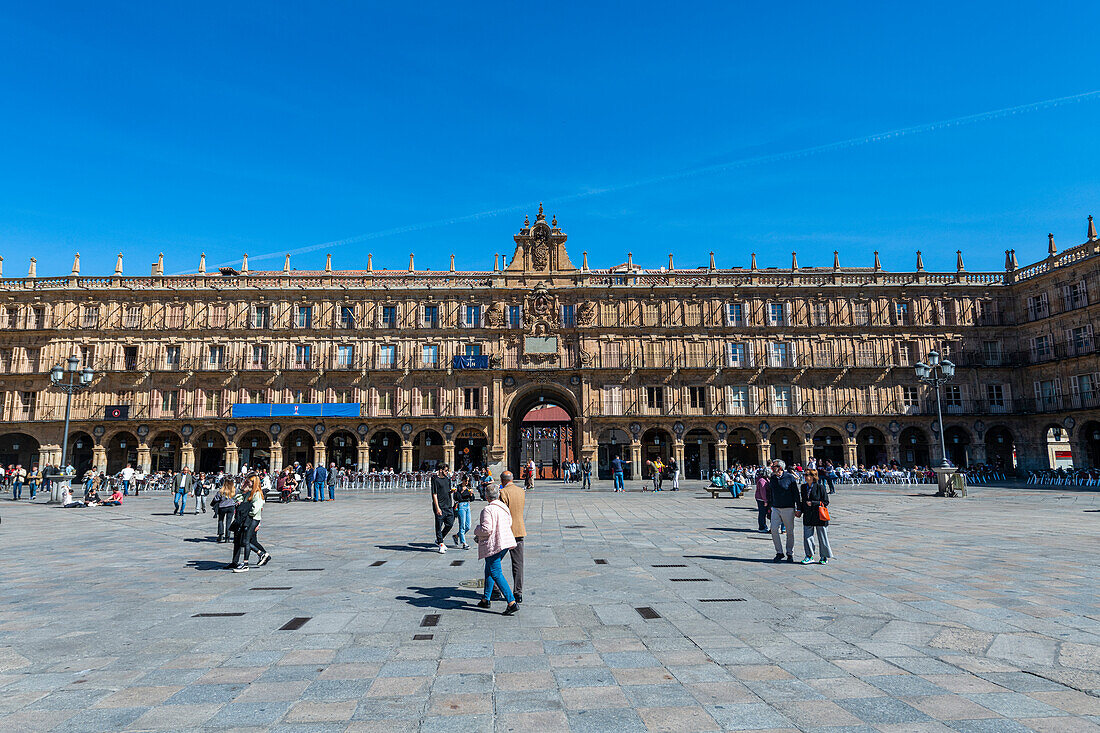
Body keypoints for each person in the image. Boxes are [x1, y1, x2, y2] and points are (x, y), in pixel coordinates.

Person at [473, 483, 519, 616]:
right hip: (505, 542)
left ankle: (511, 602)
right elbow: (509, 522)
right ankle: (486, 599)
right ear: (498, 495)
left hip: (494, 544)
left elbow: (487, 529)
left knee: (495, 571)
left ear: (486, 497)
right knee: (489, 568)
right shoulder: (503, 507)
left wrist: (477, 530)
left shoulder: (488, 510)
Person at [230, 475, 269, 572]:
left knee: (246, 541)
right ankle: (261, 554)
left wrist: (248, 513)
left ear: (254, 482)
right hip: (248, 518)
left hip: (252, 519)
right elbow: (238, 499)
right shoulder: (249, 493)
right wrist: (241, 489)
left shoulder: (257, 494)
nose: (246, 483)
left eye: (248, 482)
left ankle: (246, 564)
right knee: (244, 541)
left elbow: (256, 509)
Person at [498, 470, 526, 604]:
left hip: (505, 533)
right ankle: (518, 593)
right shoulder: (521, 491)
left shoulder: (502, 493)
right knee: (518, 564)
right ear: (512, 478)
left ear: (502, 480)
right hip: (519, 531)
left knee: (495, 562)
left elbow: (501, 513)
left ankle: (496, 590)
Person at [798, 468, 833, 564]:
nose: (805, 477)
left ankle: (824, 556)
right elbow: (803, 500)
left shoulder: (820, 487)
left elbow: (826, 501)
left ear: (813, 477)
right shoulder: (803, 487)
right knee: (807, 536)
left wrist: (813, 503)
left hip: (819, 515)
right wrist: (799, 510)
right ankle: (809, 555)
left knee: (822, 536)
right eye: (804, 475)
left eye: (806, 475)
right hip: (808, 515)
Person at [767, 460, 799, 563]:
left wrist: (798, 508)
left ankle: (790, 553)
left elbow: (796, 493)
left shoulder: (789, 477)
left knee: (789, 532)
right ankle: (779, 552)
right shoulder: (772, 478)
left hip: (788, 508)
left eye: (774, 467)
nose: (772, 469)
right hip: (776, 508)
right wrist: (769, 506)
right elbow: (771, 493)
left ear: (780, 468)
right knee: (773, 529)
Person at [431, 466, 455, 554]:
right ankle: (441, 543)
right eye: (445, 471)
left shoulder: (447, 480)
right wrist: (437, 508)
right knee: (439, 525)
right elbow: (434, 494)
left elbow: (447, 490)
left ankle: (439, 539)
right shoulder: (435, 480)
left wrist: (452, 492)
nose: (447, 472)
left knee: (450, 523)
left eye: (447, 471)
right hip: (440, 506)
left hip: (448, 506)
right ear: (440, 470)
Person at [452, 475, 474, 549]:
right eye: (466, 481)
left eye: (468, 481)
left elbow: (472, 499)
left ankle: (456, 536)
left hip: (467, 505)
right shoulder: (458, 487)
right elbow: (456, 498)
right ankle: (464, 543)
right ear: (463, 480)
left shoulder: (468, 488)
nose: (467, 482)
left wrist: (471, 494)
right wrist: (459, 492)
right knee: (462, 525)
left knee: (468, 526)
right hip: (461, 506)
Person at [213, 478, 237, 543]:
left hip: (222, 507)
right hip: (231, 507)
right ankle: (227, 537)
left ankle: (220, 535)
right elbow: (237, 498)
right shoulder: (235, 490)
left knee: (220, 520)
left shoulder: (221, 491)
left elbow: (216, 499)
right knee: (228, 522)